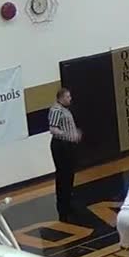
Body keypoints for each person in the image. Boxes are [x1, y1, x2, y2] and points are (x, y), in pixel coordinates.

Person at [48, 88, 82, 222]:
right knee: (63, 174)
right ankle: (62, 205)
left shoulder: (65, 110)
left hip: (68, 145)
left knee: (69, 174)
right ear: (61, 97)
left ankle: (68, 201)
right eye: (68, 97)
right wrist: (68, 135)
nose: (70, 99)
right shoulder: (56, 110)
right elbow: (53, 128)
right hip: (61, 145)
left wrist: (74, 134)